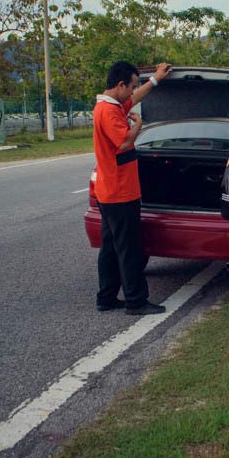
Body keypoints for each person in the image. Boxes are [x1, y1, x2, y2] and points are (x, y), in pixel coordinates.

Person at [93, 61, 172, 315]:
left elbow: (135, 97)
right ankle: (136, 301)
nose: (133, 91)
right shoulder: (109, 112)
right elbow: (126, 141)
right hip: (120, 193)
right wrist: (139, 123)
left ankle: (106, 297)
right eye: (132, 86)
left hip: (108, 192)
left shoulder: (111, 104)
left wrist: (156, 80)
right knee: (129, 249)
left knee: (110, 248)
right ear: (119, 85)